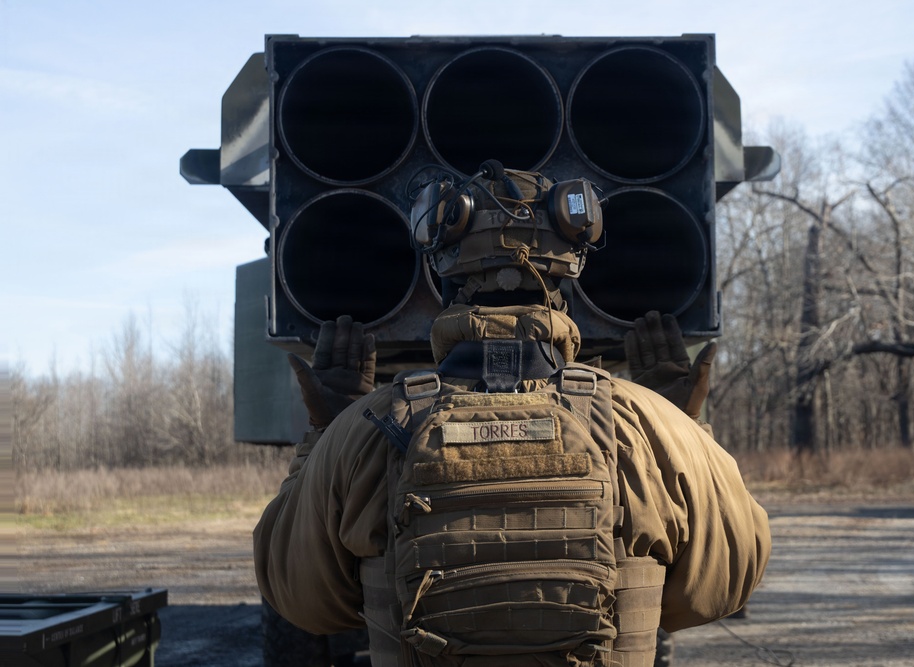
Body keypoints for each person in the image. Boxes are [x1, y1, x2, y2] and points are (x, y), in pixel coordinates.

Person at [254, 163, 770, 666]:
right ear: (568, 282)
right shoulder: (644, 422)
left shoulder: (368, 428)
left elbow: (302, 601)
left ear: (444, 281)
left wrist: (325, 435)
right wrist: (683, 426)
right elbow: (721, 587)